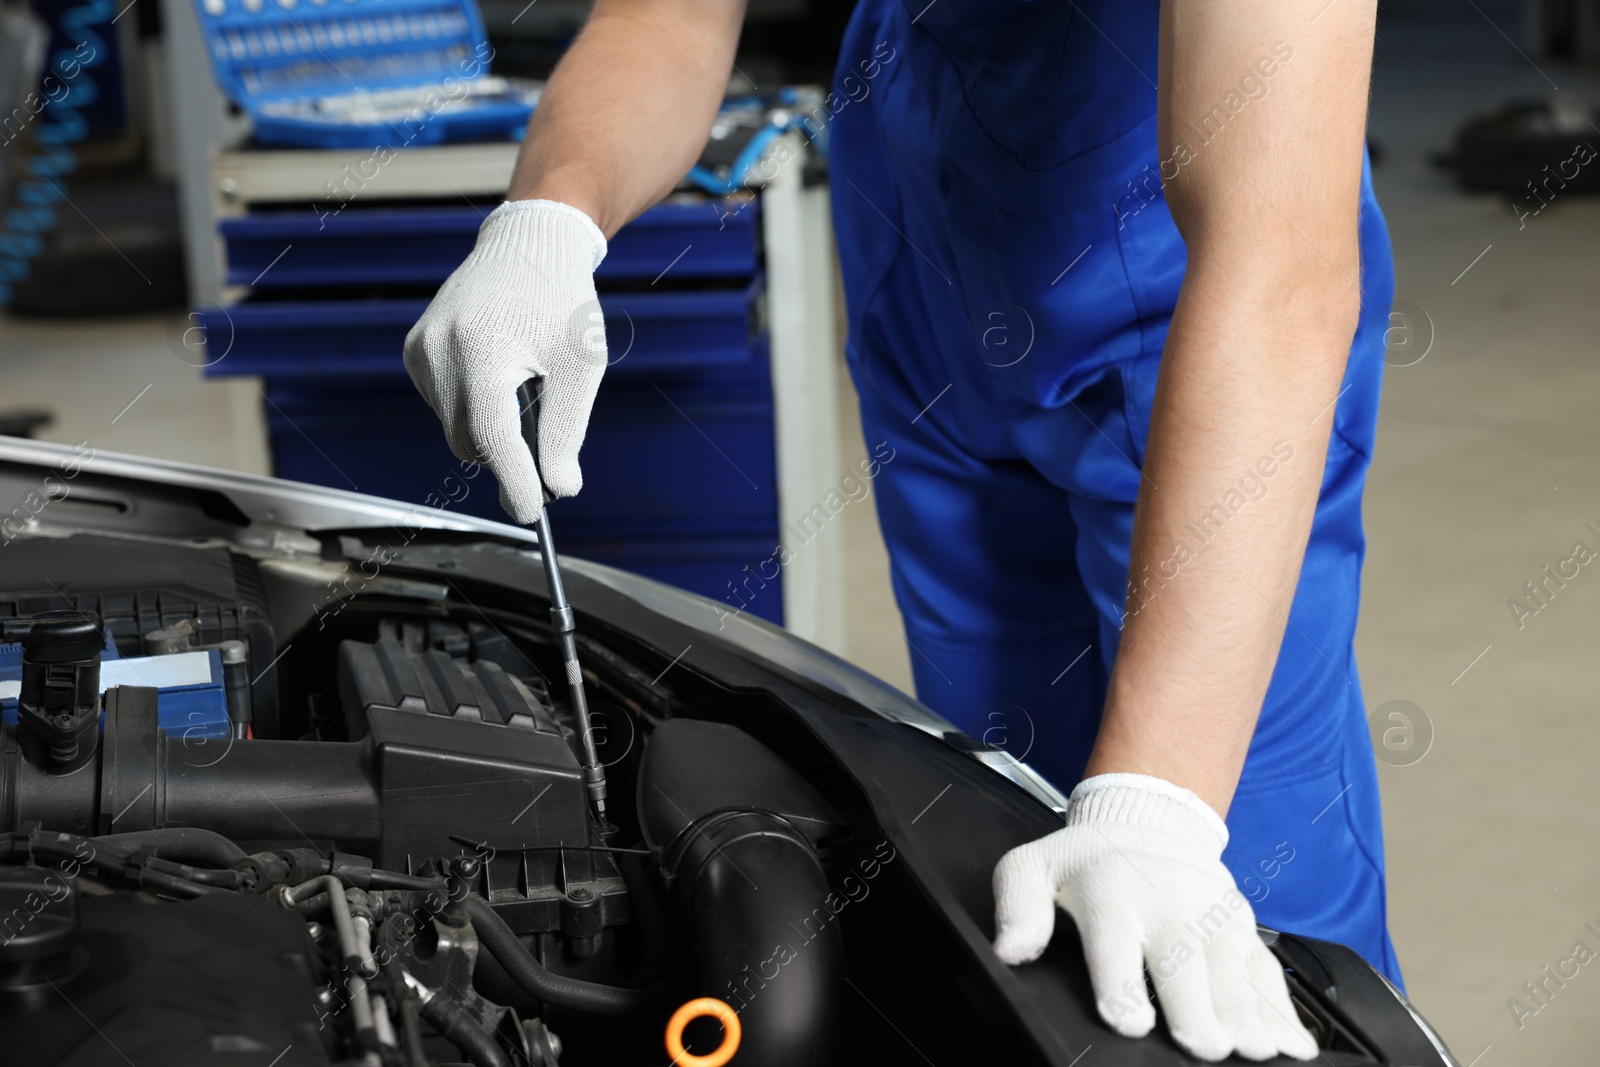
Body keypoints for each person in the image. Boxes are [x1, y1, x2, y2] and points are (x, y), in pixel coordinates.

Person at [404, 1, 1395, 1060]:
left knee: (1230, 911)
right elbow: (671, 17)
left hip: (1206, 298)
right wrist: (548, 220)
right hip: (934, 216)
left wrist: (1158, 807)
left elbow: (1275, 263)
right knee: (991, 852)